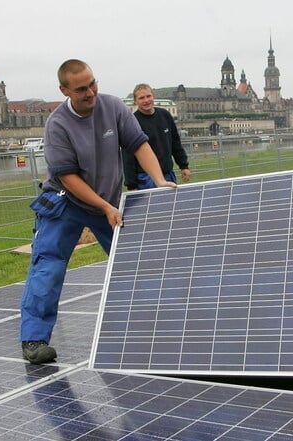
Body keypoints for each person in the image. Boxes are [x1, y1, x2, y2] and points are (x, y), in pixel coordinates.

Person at [20, 60, 176, 364]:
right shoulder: (58, 125)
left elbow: (139, 144)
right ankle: (34, 339)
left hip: (105, 202)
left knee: (134, 262)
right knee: (48, 268)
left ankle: (154, 326)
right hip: (66, 202)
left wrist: (158, 179)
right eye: (81, 89)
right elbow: (68, 176)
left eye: (93, 84)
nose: (90, 92)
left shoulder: (113, 107)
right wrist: (105, 206)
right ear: (65, 90)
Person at [123, 84, 191, 190]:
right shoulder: (132, 122)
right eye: (141, 98)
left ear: (153, 96)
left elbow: (175, 143)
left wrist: (184, 166)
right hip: (145, 179)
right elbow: (128, 156)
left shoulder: (165, 115)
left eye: (148, 96)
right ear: (135, 101)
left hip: (168, 174)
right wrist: (132, 185)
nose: (146, 100)